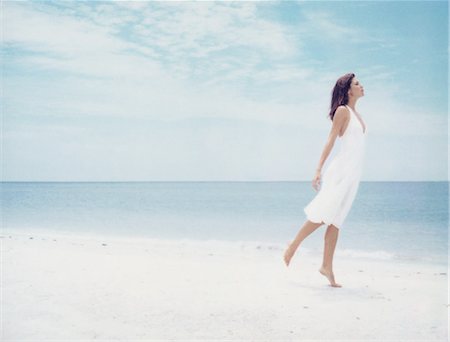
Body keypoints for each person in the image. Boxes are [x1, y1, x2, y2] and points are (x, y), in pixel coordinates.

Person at [283, 73, 367, 288]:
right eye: (357, 84)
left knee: (336, 220)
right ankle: (294, 244)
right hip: (341, 172)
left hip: (353, 174)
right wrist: (318, 169)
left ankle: (326, 267)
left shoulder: (356, 114)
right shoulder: (343, 111)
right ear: (348, 90)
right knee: (324, 213)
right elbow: (330, 140)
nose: (361, 86)